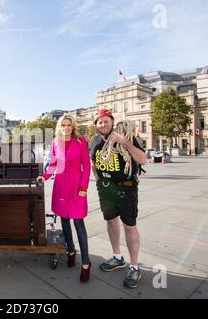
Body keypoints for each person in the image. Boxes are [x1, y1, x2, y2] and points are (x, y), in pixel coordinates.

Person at [89, 109, 147, 289]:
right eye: (100, 122)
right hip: (106, 189)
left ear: (112, 122)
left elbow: (143, 160)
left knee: (129, 226)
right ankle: (117, 257)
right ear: (96, 125)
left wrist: (126, 143)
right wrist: (99, 183)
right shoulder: (95, 141)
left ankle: (135, 266)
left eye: (106, 121)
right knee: (111, 222)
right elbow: (93, 163)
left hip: (126, 188)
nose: (103, 124)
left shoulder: (124, 136)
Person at [37, 115, 92, 283]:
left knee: (78, 223)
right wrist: (44, 176)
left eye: (69, 125)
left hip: (76, 186)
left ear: (73, 126)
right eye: (63, 125)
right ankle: (70, 250)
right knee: (65, 221)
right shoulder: (55, 142)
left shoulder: (80, 141)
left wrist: (84, 187)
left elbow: (87, 165)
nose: (66, 128)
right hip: (61, 185)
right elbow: (53, 163)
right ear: (59, 126)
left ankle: (86, 263)